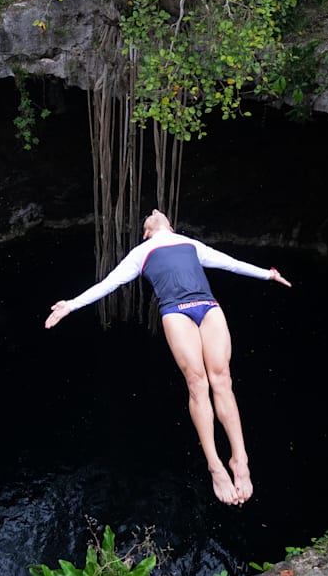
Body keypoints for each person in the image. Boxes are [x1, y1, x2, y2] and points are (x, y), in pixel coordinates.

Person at [44, 209, 291, 505]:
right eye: (149, 217)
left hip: (209, 307)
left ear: (170, 227)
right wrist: (71, 305)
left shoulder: (191, 244)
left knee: (222, 379)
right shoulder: (141, 252)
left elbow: (232, 264)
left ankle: (240, 460)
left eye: (154, 213)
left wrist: (268, 274)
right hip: (176, 312)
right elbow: (109, 283)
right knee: (198, 383)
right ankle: (215, 464)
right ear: (149, 231)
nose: (152, 212)